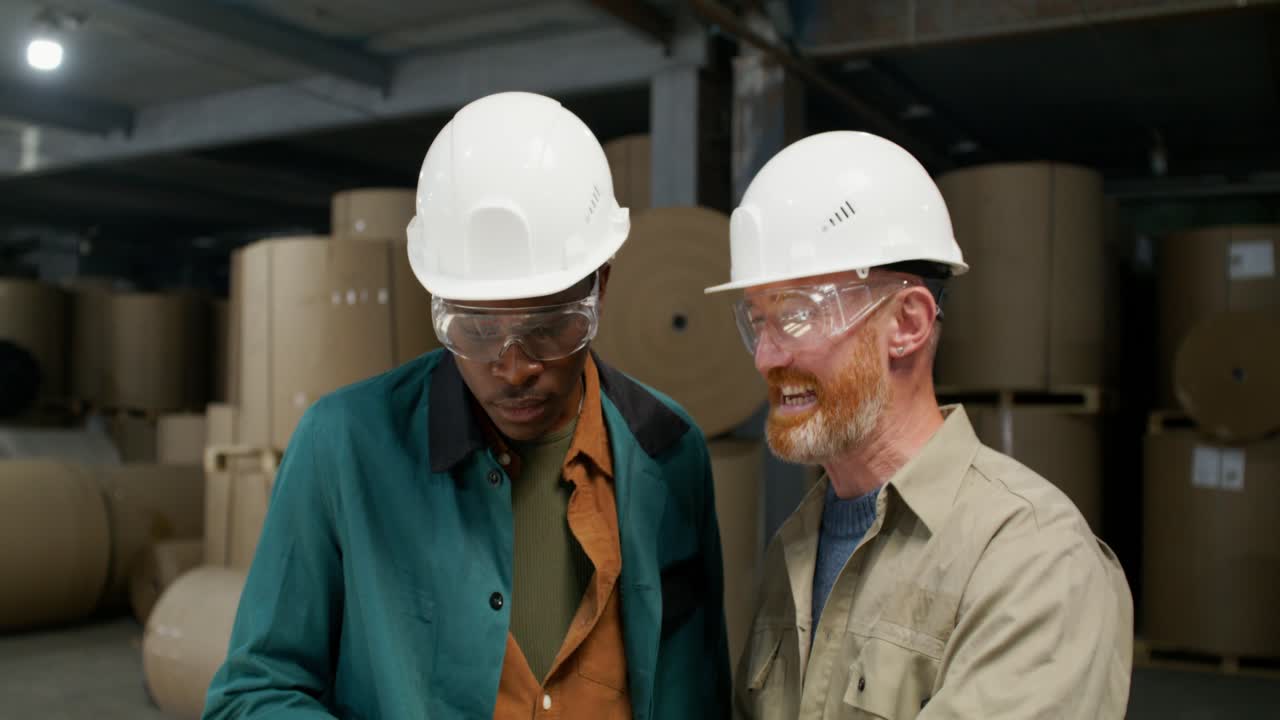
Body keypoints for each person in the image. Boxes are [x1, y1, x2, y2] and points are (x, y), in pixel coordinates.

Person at [204, 91, 731, 720]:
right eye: (475, 331)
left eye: (549, 327)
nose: (512, 369)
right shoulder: (343, 446)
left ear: (601, 286)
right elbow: (253, 693)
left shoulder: (667, 450)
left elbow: (695, 690)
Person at [705, 131, 1133, 718]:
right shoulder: (796, 547)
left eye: (798, 315)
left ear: (907, 323)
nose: (766, 357)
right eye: (757, 320)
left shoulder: (1033, 559)